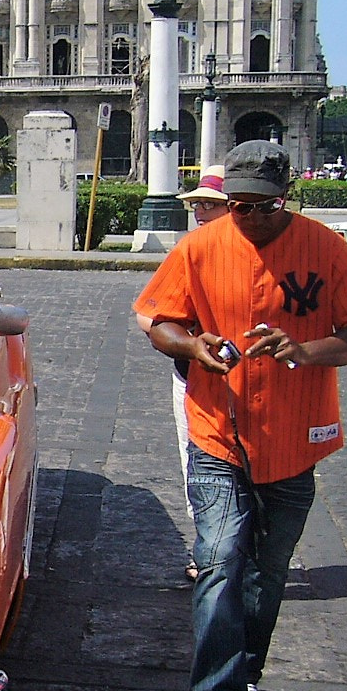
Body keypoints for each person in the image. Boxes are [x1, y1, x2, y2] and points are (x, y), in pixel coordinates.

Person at [133, 140, 347, 691]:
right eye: (237, 205)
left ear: (285, 198)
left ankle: (244, 675)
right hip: (218, 433)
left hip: (296, 442)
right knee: (218, 561)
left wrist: (303, 349)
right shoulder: (199, 247)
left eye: (262, 206)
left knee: (267, 576)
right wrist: (193, 347)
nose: (249, 217)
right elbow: (157, 319)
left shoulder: (327, 249)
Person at [136, 164, 231, 581]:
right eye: (198, 205)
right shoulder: (190, 252)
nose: (202, 212)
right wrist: (186, 339)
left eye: (212, 205)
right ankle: (209, 550)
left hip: (261, 383)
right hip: (193, 378)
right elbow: (147, 314)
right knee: (198, 464)